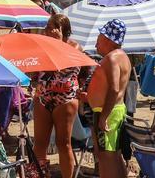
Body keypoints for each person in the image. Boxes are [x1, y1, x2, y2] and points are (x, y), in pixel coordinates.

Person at [33, 13, 82, 178]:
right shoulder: (41, 46)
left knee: (64, 143)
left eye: (55, 27)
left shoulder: (74, 47)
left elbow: (85, 70)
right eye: (48, 27)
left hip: (65, 99)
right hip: (42, 96)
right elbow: (35, 70)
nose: (51, 30)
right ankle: (40, 175)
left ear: (65, 31)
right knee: (39, 143)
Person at [85, 18, 131, 178]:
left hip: (108, 113)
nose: (96, 43)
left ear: (108, 39)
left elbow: (114, 88)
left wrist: (103, 116)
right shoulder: (123, 56)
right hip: (115, 110)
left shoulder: (112, 58)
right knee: (114, 155)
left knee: (105, 157)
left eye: (99, 38)